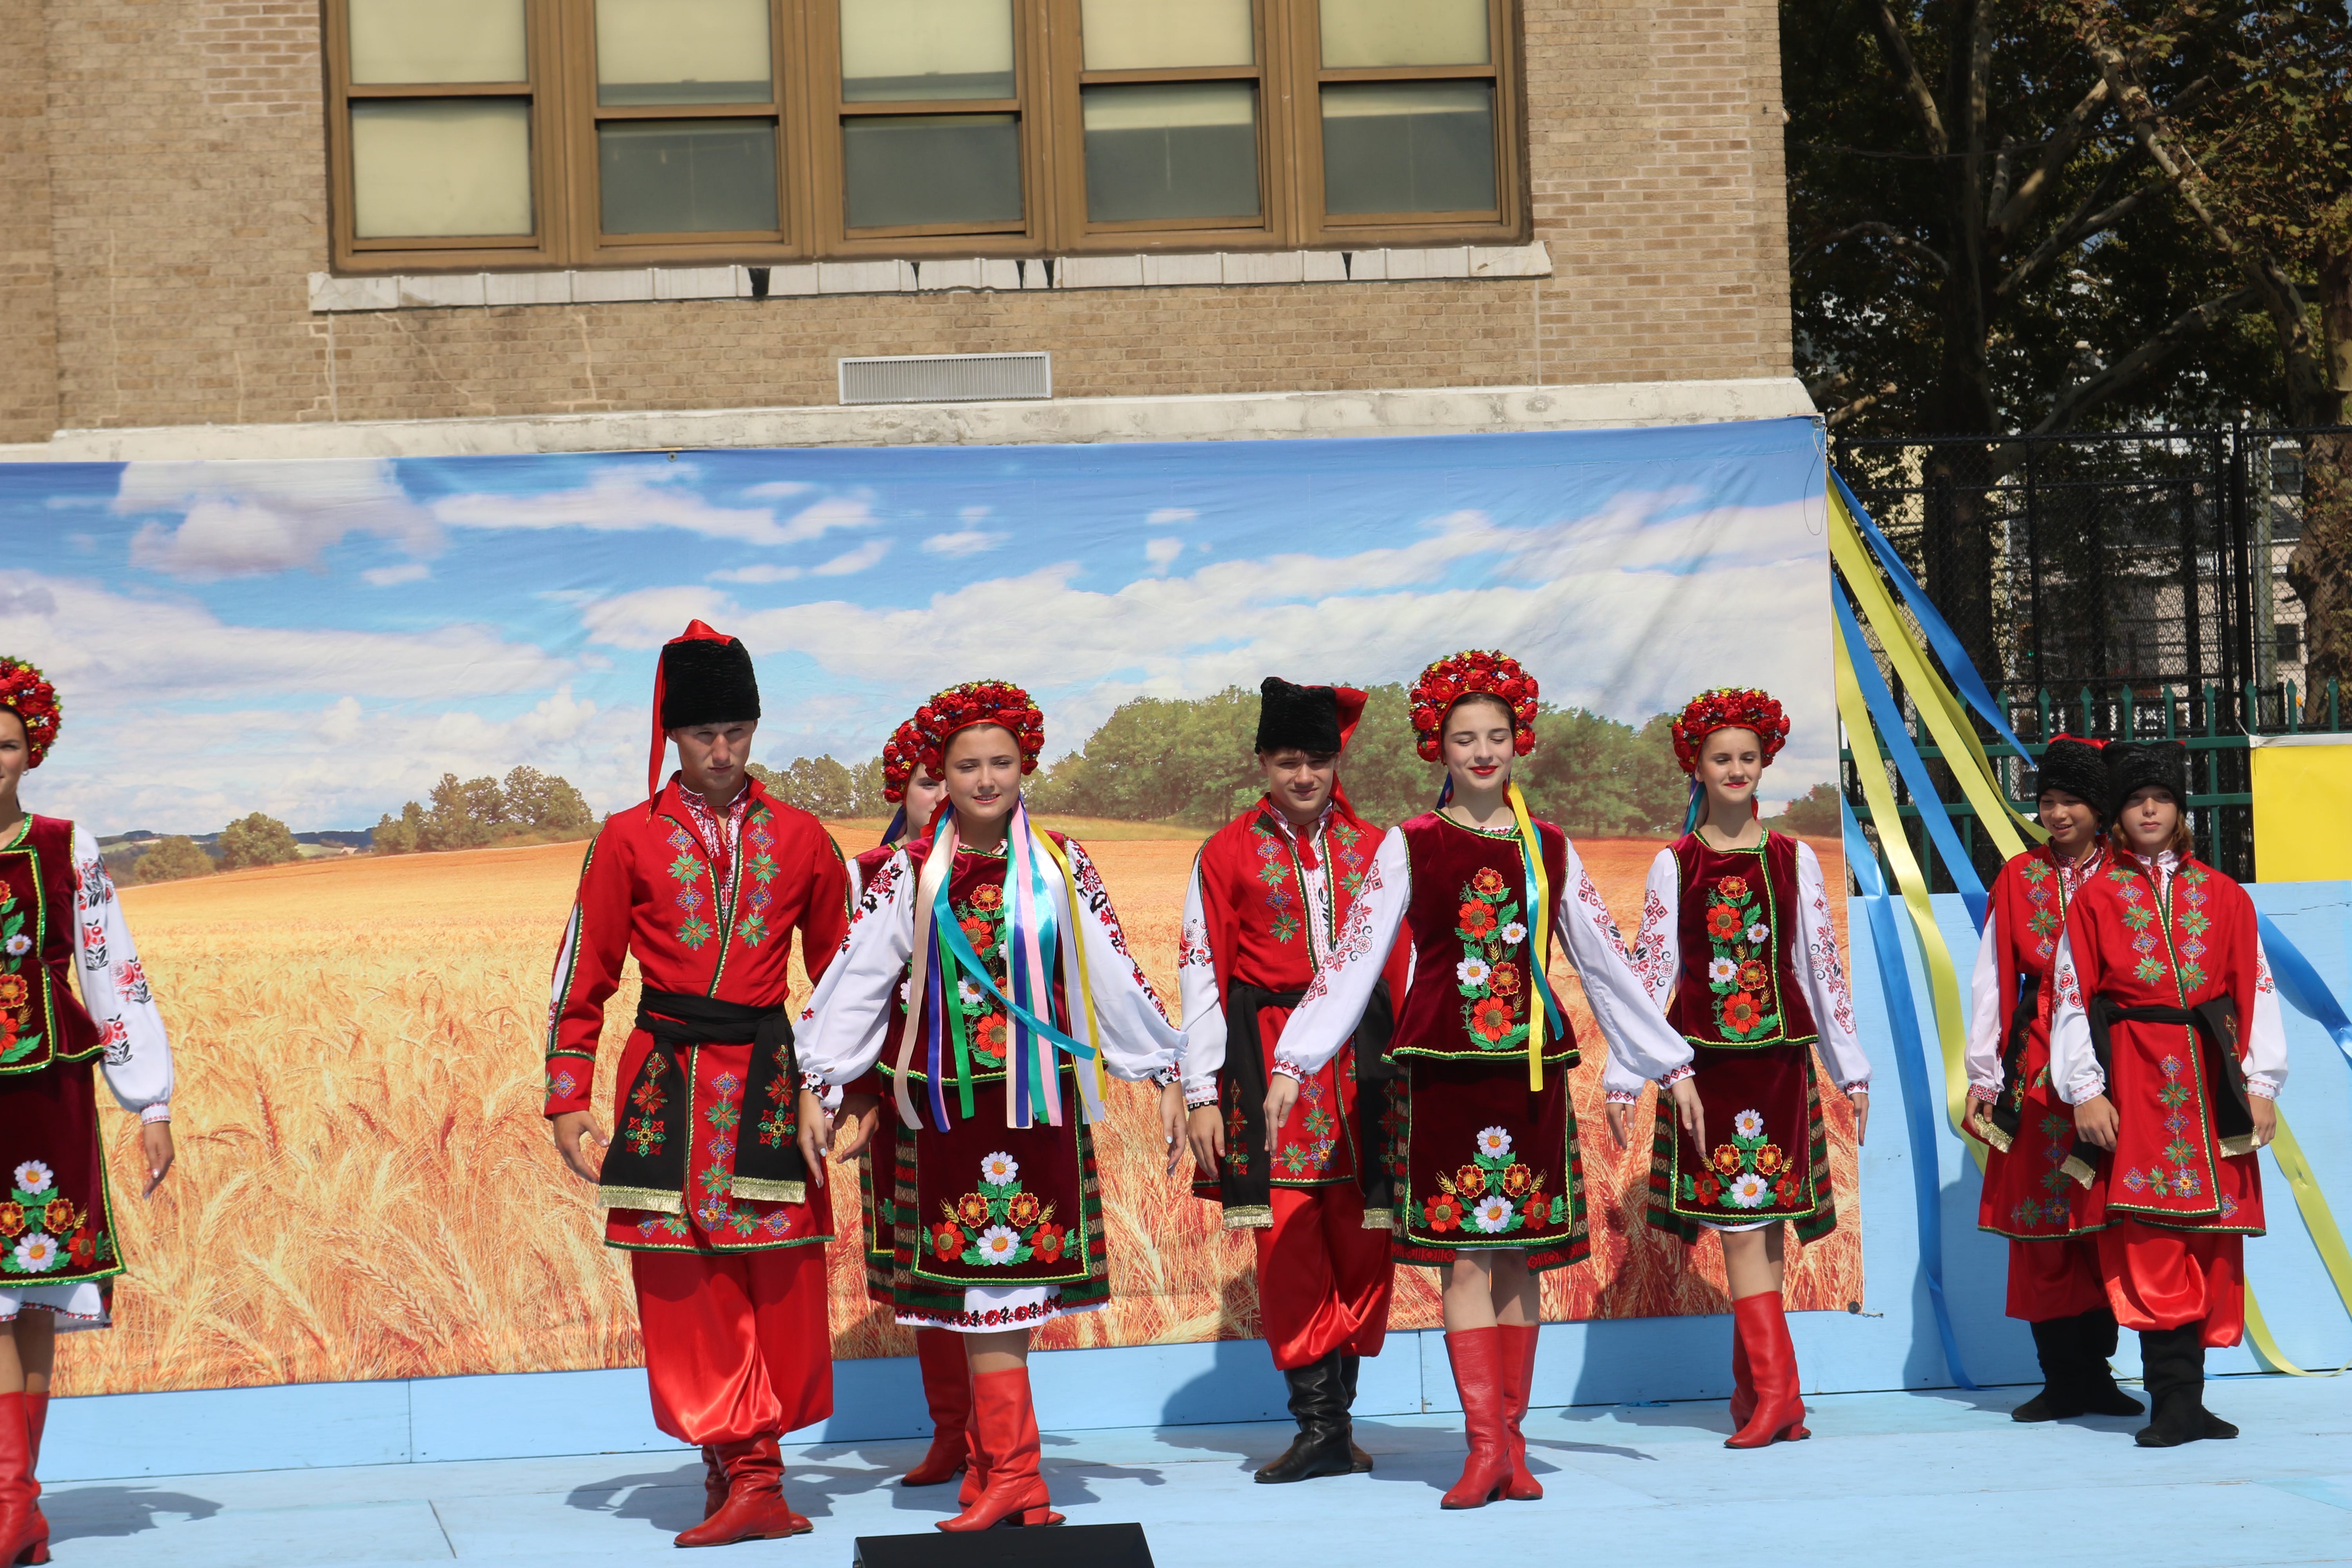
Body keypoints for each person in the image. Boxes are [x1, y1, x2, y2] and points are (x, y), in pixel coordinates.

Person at [1268, 651, 1690, 1509]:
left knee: (1520, 1260)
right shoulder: (1410, 845)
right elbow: (1352, 960)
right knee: (1468, 1254)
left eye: (1497, 734)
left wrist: (1668, 1057)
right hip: (1446, 1077)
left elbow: (1605, 963)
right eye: (1466, 737)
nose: (1484, 750)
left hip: (1528, 1075)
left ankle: (1515, 1447)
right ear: (1440, 746)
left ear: (1518, 740)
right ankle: (1482, 1446)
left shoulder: (1550, 847)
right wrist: (1295, 1056)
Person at [794, 679, 1183, 1532]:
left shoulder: (1063, 864)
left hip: (1036, 1107)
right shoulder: (907, 874)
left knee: (999, 1288)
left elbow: (1112, 972)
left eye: (1000, 761)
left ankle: (1013, 1475)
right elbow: (858, 980)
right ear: (941, 771)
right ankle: (1003, 1473)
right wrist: (822, 1078)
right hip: (950, 1110)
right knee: (977, 1289)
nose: (984, 778)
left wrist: (1162, 1070)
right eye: (966, 764)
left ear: (1025, 765)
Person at [543, 621, 851, 1548]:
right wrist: (568, 1094)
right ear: (672, 736)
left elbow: (844, 978)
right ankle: (734, 1468)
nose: (722, 752)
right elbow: (583, 971)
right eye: (702, 735)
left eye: (738, 732)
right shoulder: (628, 839)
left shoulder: (802, 838)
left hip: (767, 1077)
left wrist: (848, 1089)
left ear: (756, 728)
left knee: (780, 1276)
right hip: (665, 1081)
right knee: (683, 1284)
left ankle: (754, 1473)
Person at [1605, 687, 1869, 1450]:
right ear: (1698, 764)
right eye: (1721, 756)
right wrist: (1626, 1074)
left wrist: (1849, 1065)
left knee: (1762, 1229)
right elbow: (1651, 970)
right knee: (1743, 1226)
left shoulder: (1793, 859)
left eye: (1747, 757)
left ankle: (1766, 1393)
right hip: (1707, 1069)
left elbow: (1818, 961)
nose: (1736, 768)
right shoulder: (1674, 863)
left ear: (1765, 763)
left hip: (1779, 1065)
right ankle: (1769, 1393)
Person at [1160, 677, 1403, 1484]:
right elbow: (1202, 972)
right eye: (1288, 760)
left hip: (1367, 1061)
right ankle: (1318, 1422)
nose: (1304, 775)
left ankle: (1341, 1421)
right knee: (1290, 1240)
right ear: (1263, 761)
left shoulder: (1377, 848)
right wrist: (1200, 1090)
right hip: (1267, 1060)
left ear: (1339, 761)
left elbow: (1406, 961)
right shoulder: (1225, 851)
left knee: (1367, 1242)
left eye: (1319, 760)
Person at [2049, 739, 2286, 1447]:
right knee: (2150, 1237)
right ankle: (2172, 1401)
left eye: (2160, 798)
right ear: (2117, 816)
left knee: (2211, 1241)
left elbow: (2257, 989)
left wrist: (2262, 1082)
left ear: (2179, 810)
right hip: (2136, 1076)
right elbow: (2068, 997)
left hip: (2212, 1081)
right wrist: (2086, 1090)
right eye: (2133, 799)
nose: (2148, 808)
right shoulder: (2095, 898)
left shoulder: (2223, 895)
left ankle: (2193, 1399)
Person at [0, 657, 175, 1568]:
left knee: (28, 1296)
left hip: (43, 1088)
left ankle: (15, 1503)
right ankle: (13, 1505)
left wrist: (149, 1098)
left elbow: (112, 969)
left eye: (4, 742)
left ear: (31, 753)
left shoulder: (66, 845)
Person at [1962, 736, 2141, 1422]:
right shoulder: (2018, 876)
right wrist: (1985, 1071)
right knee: (2042, 1228)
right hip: (2035, 1071)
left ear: (2100, 807)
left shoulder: (2129, 875)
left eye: (2072, 801)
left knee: (2100, 1221)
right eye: (2048, 801)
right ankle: (2061, 1376)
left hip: (2114, 1064)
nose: (2058, 813)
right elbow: (1993, 976)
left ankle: (2099, 1371)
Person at [845, 719, 974, 1495]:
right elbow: (847, 991)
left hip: (994, 1097)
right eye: (929, 780)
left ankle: (999, 1440)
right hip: (905, 1099)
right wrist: (855, 1089)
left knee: (991, 1256)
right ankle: (950, 1429)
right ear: (907, 789)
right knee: (926, 1274)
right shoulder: (874, 873)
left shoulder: (1023, 867)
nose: (944, 792)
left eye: (953, 776)